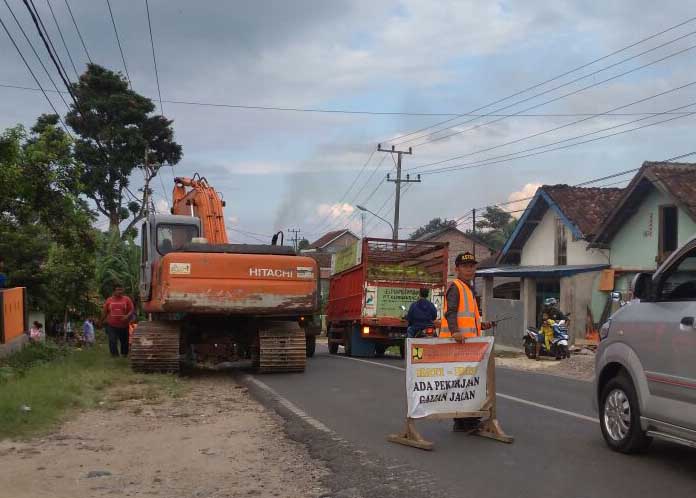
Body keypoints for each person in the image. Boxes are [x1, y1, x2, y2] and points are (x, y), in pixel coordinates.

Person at [440, 252, 494, 432]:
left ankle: (462, 421)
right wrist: (455, 331)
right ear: (457, 269)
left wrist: (482, 325)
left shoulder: (469, 288)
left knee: (464, 383)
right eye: (465, 266)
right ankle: (468, 421)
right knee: (468, 382)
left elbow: (469, 318)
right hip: (458, 345)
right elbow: (451, 312)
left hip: (468, 346)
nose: (470, 269)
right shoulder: (456, 287)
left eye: (472, 266)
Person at [100, 283, 135, 357]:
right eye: (118, 290)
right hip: (112, 325)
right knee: (112, 340)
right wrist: (100, 321)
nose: (120, 291)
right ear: (114, 291)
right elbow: (105, 312)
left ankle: (124, 354)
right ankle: (115, 356)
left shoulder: (127, 299)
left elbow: (131, 310)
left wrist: (127, 316)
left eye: (121, 289)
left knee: (124, 342)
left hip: (124, 325)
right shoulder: (109, 300)